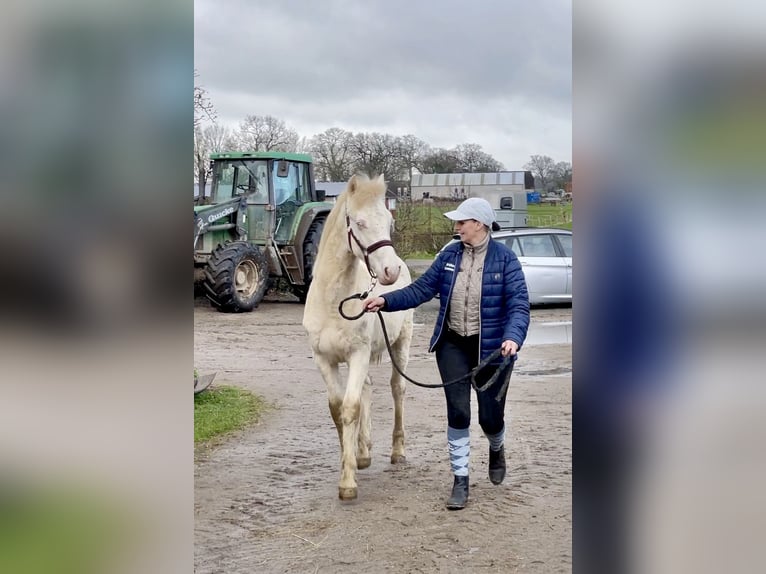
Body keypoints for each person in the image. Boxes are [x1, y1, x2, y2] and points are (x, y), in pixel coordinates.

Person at [363, 197, 530, 510]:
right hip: (453, 343)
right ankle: (460, 480)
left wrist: (512, 337)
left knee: (489, 418)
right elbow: (422, 288)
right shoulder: (450, 255)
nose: (456, 227)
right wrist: (386, 301)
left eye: (461, 222)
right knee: (458, 412)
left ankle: (497, 446)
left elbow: (519, 305)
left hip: (493, 349)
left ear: (478, 224)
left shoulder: (506, 259)